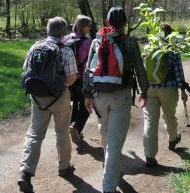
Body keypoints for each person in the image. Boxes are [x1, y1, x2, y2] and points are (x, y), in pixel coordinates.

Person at [83, 7, 149, 193]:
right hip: (121, 96)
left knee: (105, 134)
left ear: (107, 22)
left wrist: (87, 95)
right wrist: (144, 91)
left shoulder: (97, 41)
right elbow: (139, 69)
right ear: (125, 23)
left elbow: (88, 70)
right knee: (114, 140)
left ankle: (110, 171)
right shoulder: (129, 42)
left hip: (98, 96)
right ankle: (109, 186)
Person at [18, 16, 78, 193]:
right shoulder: (65, 50)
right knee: (61, 132)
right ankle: (64, 167)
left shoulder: (35, 47)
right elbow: (71, 78)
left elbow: (25, 69)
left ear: (47, 30)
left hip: (37, 97)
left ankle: (25, 172)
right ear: (64, 32)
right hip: (59, 97)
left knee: (35, 134)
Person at [143, 23, 188, 167]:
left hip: (150, 88)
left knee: (150, 120)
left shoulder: (150, 47)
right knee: (169, 116)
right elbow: (178, 72)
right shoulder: (172, 49)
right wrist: (183, 90)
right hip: (168, 89)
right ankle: (173, 139)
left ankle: (149, 156)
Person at [63, 15, 93, 146]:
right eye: (89, 26)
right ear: (85, 27)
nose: (90, 28)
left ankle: (73, 127)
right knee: (86, 105)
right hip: (82, 78)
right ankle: (76, 127)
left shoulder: (65, 39)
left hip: (68, 78)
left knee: (75, 103)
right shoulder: (89, 43)